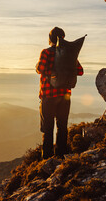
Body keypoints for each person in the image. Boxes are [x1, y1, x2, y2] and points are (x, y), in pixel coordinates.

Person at [36, 27, 84, 159]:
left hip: (48, 96)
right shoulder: (69, 54)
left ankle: (47, 158)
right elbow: (80, 71)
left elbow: (40, 68)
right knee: (62, 126)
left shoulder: (46, 52)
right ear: (63, 38)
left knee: (48, 128)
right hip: (65, 96)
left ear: (50, 39)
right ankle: (61, 155)